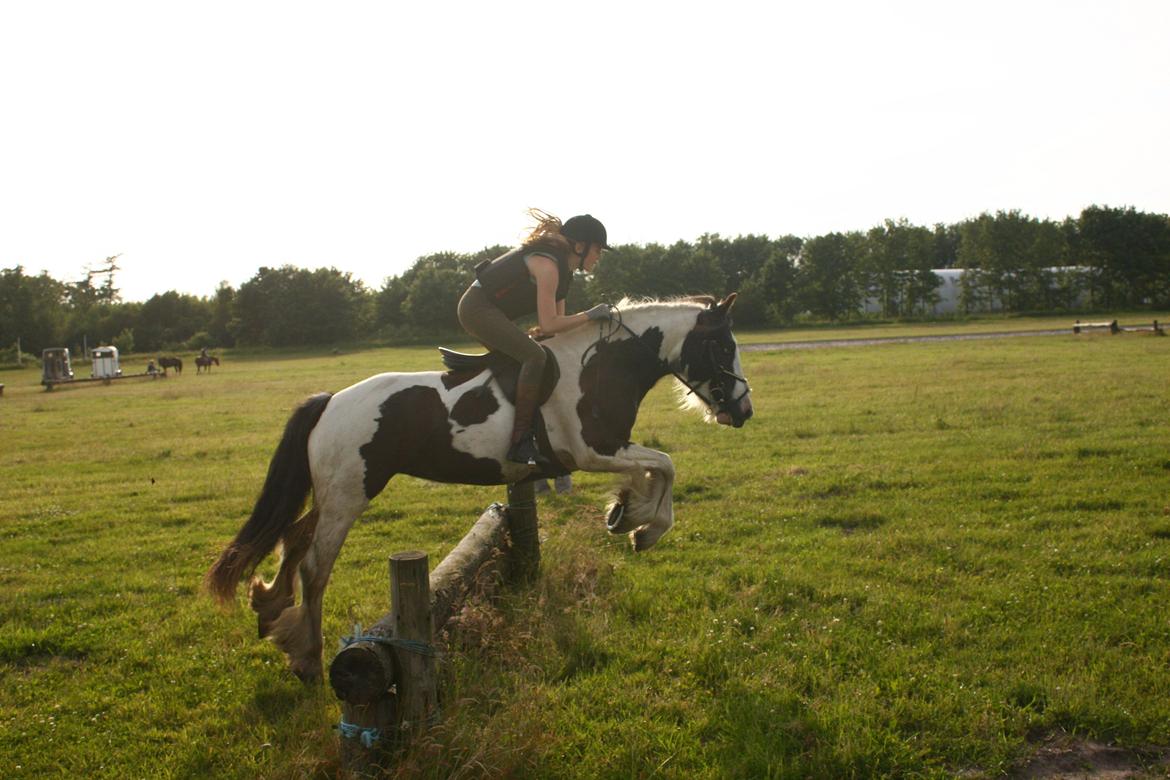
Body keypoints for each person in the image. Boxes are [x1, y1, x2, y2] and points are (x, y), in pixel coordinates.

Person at [458, 209, 613, 467]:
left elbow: (554, 330)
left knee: (542, 355)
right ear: (579, 246)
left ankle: (522, 430)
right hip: (476, 310)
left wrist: (592, 326)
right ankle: (520, 442)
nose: (598, 257)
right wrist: (591, 315)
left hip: (492, 312)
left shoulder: (564, 273)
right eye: (597, 250)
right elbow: (549, 322)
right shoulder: (549, 266)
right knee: (534, 356)